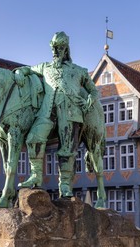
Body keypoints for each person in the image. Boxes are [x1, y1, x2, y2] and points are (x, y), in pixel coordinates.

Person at [15, 31, 99, 198]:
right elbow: (27, 69)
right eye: (53, 48)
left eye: (59, 48)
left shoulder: (79, 71)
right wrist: (19, 72)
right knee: (34, 138)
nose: (55, 51)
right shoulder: (45, 67)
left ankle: (65, 185)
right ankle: (36, 176)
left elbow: (93, 90)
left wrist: (90, 100)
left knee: (67, 149)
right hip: (47, 111)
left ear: (66, 49)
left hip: (71, 112)